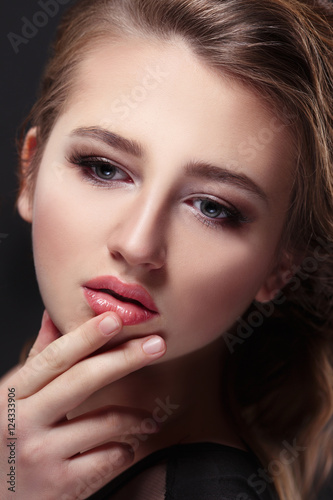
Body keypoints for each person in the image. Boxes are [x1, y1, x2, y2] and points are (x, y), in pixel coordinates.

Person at [1, 0, 332, 498]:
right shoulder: (13, 426)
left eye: (212, 207)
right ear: (30, 173)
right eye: (104, 168)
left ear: (280, 266)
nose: (138, 245)